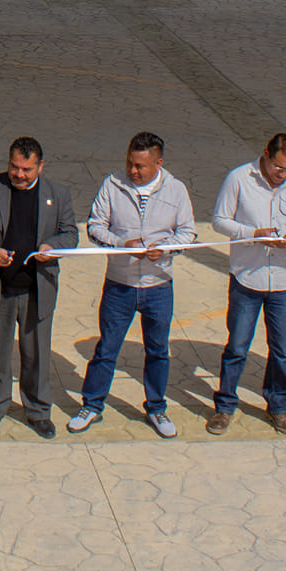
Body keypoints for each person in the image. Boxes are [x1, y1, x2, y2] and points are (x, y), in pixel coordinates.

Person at [69, 131, 196, 438]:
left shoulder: (176, 190)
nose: (133, 171)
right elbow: (95, 227)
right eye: (130, 163)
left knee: (157, 350)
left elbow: (188, 233)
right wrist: (122, 243)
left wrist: (165, 249)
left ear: (158, 163)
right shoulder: (112, 185)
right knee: (107, 349)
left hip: (159, 285)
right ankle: (92, 405)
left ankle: (156, 407)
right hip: (119, 285)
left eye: (141, 165)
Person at [0, 135, 77, 438]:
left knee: (36, 354)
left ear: (40, 166)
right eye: (14, 167)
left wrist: (53, 246)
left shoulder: (58, 194)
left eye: (26, 169)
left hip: (38, 289)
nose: (19, 174)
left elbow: (71, 235)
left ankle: (38, 411)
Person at [208, 132, 286, 436]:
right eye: (278, 167)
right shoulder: (239, 178)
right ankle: (225, 405)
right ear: (266, 155)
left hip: (283, 281)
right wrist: (252, 233)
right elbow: (219, 220)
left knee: (281, 350)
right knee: (237, 347)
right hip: (247, 278)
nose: (283, 175)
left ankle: (278, 406)